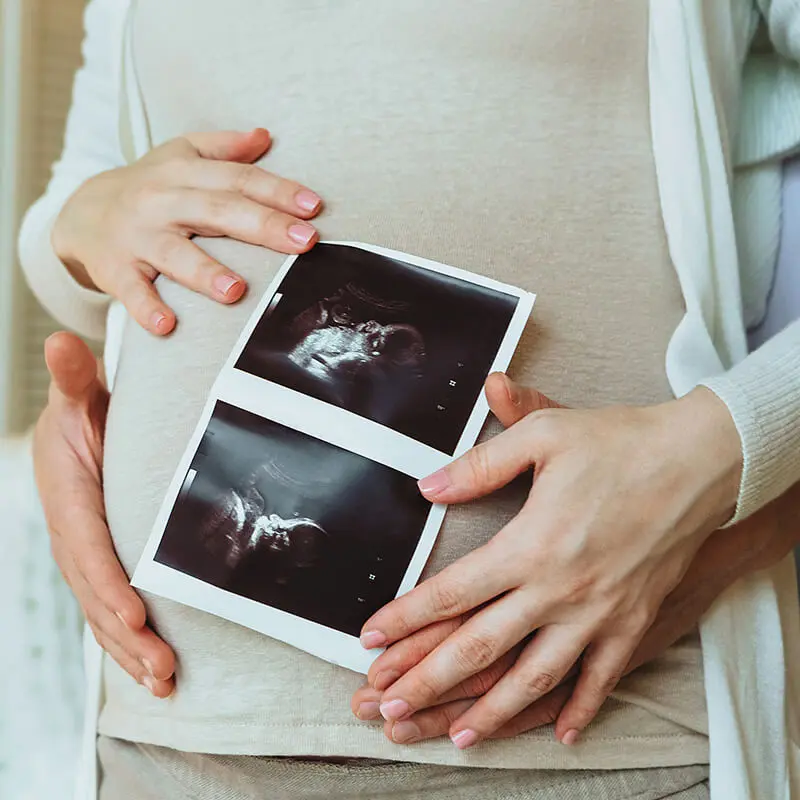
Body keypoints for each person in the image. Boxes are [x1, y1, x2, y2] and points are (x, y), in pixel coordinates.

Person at [19, 1, 800, 798]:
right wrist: (81, 223)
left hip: (589, 742)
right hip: (174, 732)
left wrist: (726, 442)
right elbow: (86, 203)